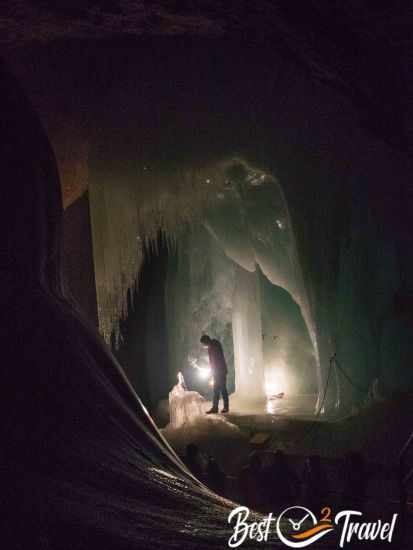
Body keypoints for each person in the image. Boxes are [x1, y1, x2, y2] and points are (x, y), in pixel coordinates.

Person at [200, 334, 229, 414]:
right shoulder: (211, 347)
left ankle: (225, 407)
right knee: (216, 390)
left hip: (221, 371)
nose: (203, 346)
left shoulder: (215, 345)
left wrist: (214, 370)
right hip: (217, 372)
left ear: (206, 341)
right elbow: (212, 361)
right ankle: (215, 407)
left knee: (223, 389)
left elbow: (217, 359)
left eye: (203, 344)